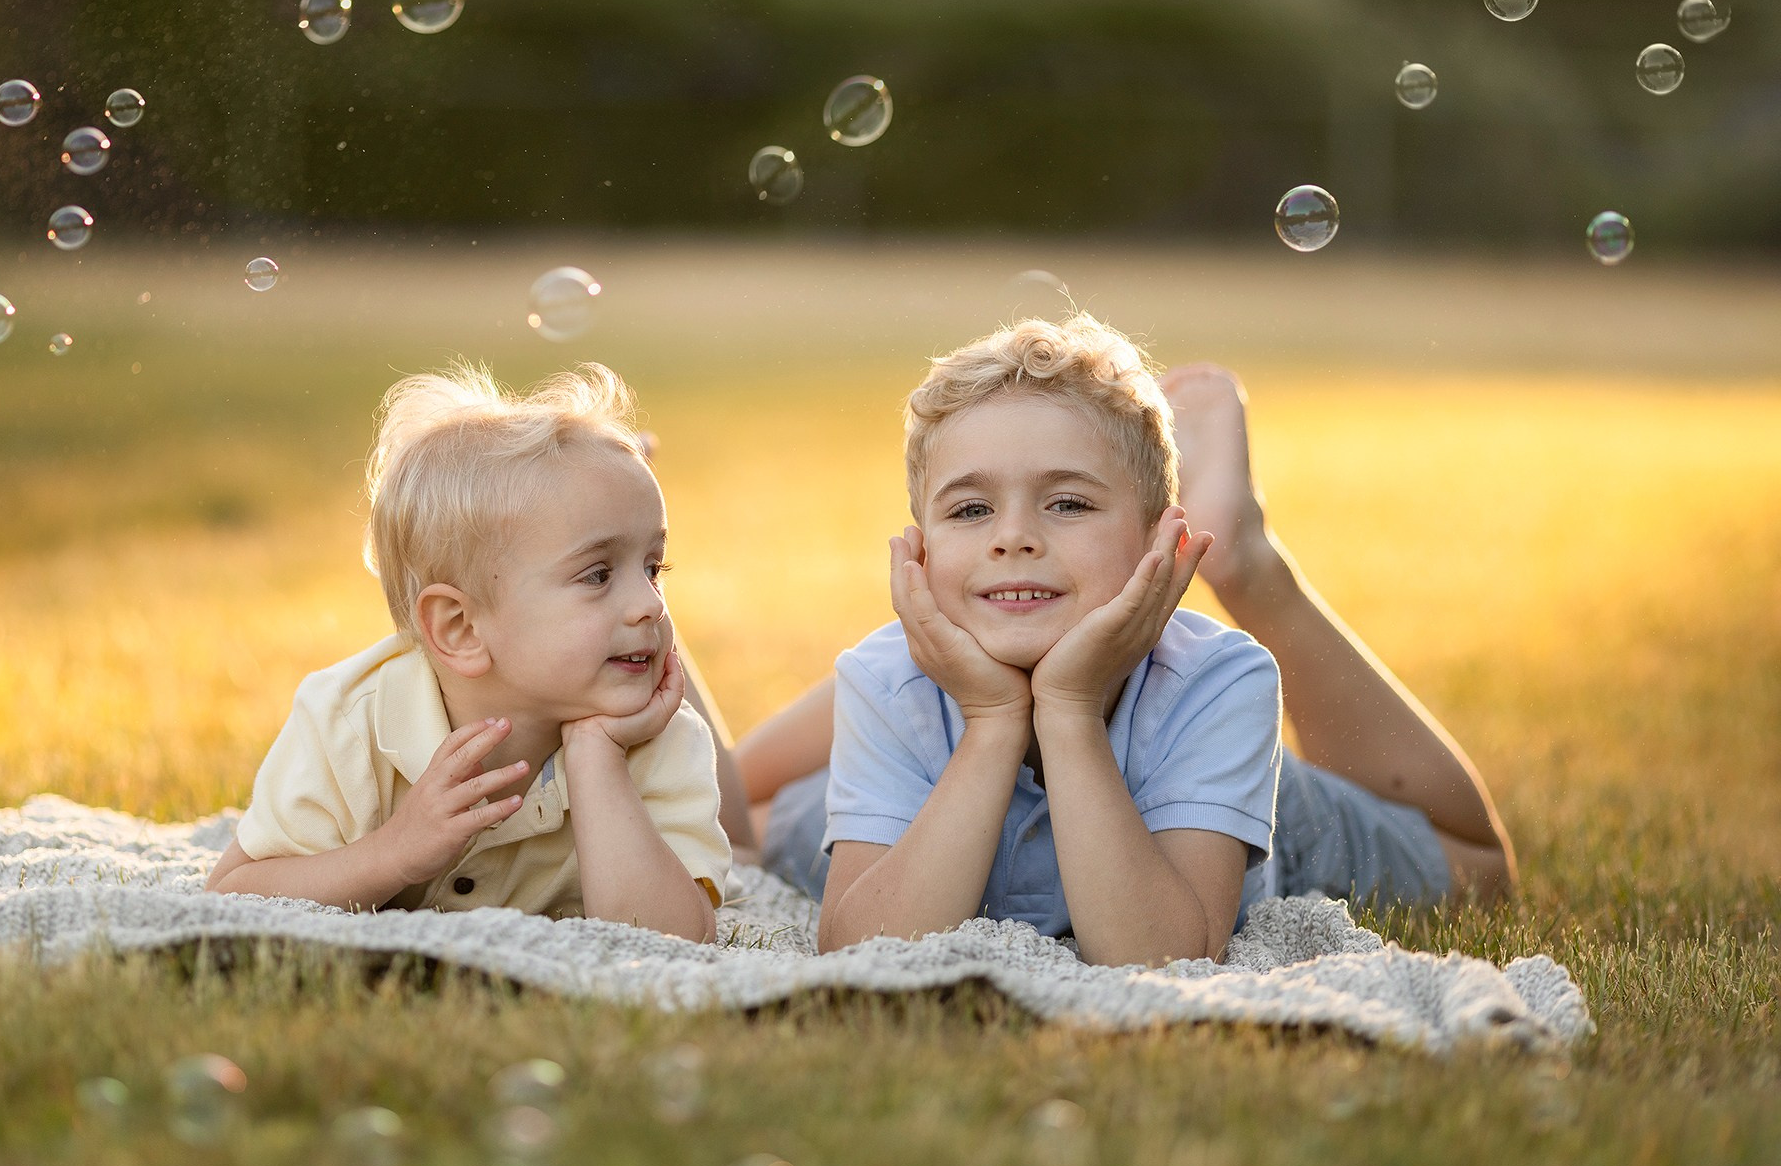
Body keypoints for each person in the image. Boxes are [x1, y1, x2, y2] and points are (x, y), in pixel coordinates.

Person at [751, 318, 1516, 961]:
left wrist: (1069, 707)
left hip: (1230, 800)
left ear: (1158, 544)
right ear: (918, 551)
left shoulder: (1216, 682)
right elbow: (861, 951)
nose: (1013, 536)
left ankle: (1242, 556)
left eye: (1068, 502)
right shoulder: (886, 680)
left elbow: (1160, 957)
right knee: (746, 819)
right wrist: (991, 719)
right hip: (919, 772)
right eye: (971, 510)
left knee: (1477, 871)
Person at [204, 362, 730, 943]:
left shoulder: (657, 737)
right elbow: (232, 894)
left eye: (654, 568)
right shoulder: (349, 722)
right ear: (461, 629)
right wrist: (394, 852)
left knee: (747, 846)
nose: (649, 604)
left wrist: (597, 758)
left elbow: (677, 941)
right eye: (598, 574)